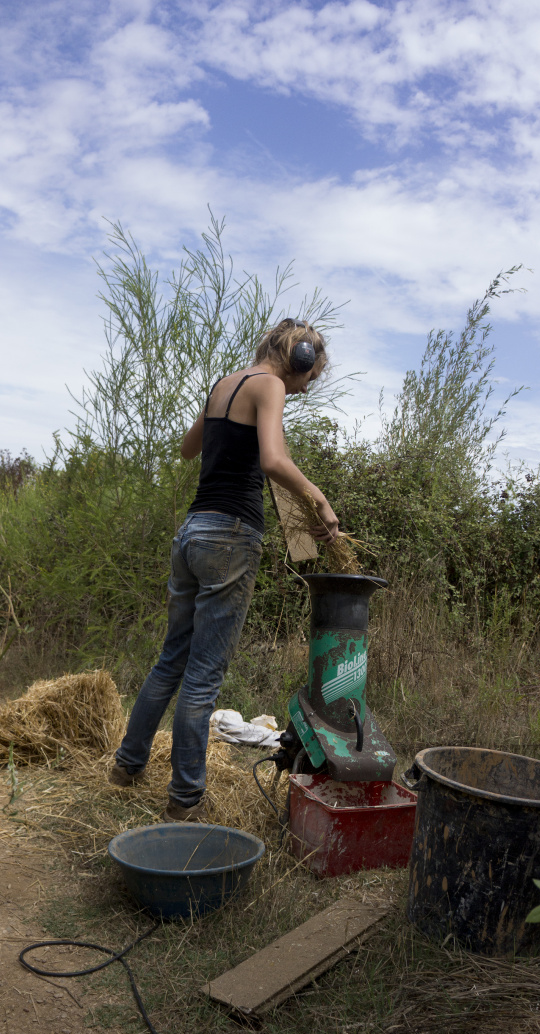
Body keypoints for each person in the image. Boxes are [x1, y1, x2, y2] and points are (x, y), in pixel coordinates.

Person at [108, 319, 344, 821]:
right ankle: (185, 799)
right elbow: (275, 460)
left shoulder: (225, 383)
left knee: (171, 660)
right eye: (311, 374)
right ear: (300, 358)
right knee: (201, 678)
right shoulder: (272, 384)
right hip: (231, 536)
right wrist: (319, 503)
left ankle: (126, 766)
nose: (306, 386)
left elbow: (188, 448)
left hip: (192, 532)